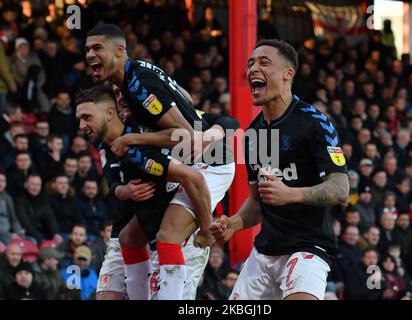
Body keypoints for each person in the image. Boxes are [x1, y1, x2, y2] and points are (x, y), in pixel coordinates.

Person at [85, 24, 237, 299]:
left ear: (120, 51)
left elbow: (184, 137)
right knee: (131, 237)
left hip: (209, 164)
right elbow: (185, 98)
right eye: (87, 49)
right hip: (189, 167)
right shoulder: (139, 78)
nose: (89, 54)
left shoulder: (137, 86)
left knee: (169, 235)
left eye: (97, 48)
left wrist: (133, 140)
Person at [210, 39, 349, 300]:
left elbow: (340, 189)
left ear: (288, 74)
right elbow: (257, 200)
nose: (252, 69)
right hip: (264, 252)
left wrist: (291, 194)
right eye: (250, 64)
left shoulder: (315, 122)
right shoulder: (252, 134)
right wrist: (234, 223)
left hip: (308, 247)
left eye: (264, 62)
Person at [75, 85, 213, 300]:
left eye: (86, 117)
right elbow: (113, 185)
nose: (81, 125)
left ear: (108, 113)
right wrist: (124, 190)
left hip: (173, 235)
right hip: (134, 232)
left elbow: (194, 174)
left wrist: (207, 228)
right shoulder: (105, 146)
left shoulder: (143, 139)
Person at [14, 174, 62, 244]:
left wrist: (55, 233)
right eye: (33, 184)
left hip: (42, 233)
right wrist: (40, 238)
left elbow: (50, 218)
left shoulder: (43, 199)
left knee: (59, 240)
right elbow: (25, 223)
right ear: (26, 185)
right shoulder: (19, 200)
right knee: (35, 242)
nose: (36, 188)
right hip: (28, 234)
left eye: (38, 185)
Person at [0, 172, 24, 244]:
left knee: (30, 241)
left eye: (3, 181)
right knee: (12, 244)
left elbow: (13, 219)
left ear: (6, 184)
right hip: (3, 235)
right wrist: (10, 235)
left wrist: (19, 232)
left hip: (9, 233)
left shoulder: (7, 198)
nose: (0, 183)